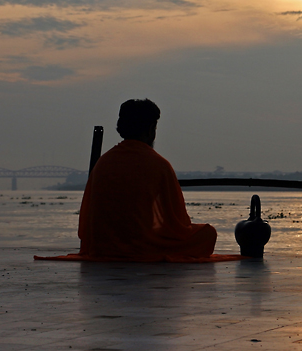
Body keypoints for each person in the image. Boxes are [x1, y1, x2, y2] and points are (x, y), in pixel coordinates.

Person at [74, 99, 217, 261]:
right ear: (150, 130)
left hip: (104, 247)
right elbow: (177, 223)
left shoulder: (103, 163)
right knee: (208, 233)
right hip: (144, 247)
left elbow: (87, 220)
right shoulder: (159, 165)